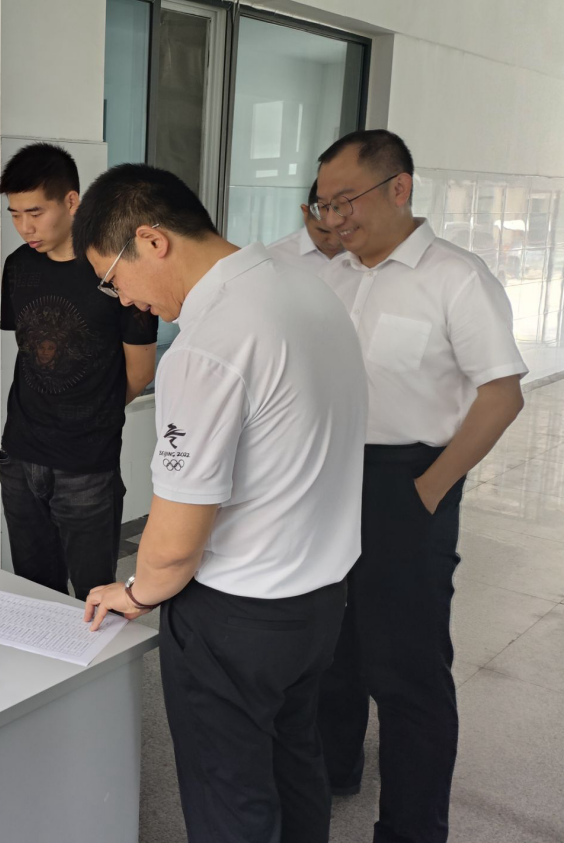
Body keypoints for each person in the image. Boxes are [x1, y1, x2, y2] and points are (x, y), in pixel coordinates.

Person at [76, 164, 367, 843]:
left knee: (230, 800)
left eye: (113, 278)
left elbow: (175, 545)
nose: (124, 300)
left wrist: (135, 591)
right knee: (296, 764)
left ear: (152, 241)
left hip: (237, 617)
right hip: (320, 600)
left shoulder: (209, 346)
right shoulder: (304, 286)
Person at [314, 130, 526, 843]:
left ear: (399, 188)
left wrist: (429, 491)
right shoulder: (336, 277)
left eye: (346, 201)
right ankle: (335, 766)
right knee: (334, 643)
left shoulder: (455, 277)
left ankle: (411, 828)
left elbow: (501, 393)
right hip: (329, 478)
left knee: (407, 671)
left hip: (408, 481)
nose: (334, 219)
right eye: (324, 205)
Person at [0, 143, 157, 600]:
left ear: (71, 201)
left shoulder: (117, 270)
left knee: (94, 597)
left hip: (87, 463)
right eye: (15, 214)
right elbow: (29, 351)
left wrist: (92, 410)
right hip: (21, 455)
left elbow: (140, 370)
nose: (25, 227)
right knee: (34, 593)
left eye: (35, 212)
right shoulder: (18, 266)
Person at [266, 179, 344, 271]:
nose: (334, 242)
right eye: (323, 231)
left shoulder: (358, 252)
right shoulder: (273, 258)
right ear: (305, 213)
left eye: (344, 231)